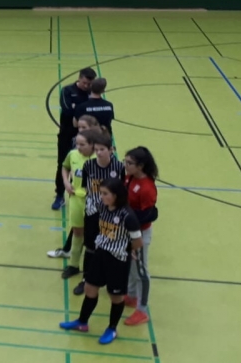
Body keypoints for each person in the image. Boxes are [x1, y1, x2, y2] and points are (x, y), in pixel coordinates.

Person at [60, 178, 143, 345]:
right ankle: (82, 322)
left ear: (116, 195)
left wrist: (125, 249)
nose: (101, 196)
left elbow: (138, 241)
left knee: (116, 296)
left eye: (105, 193)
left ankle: (112, 329)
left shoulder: (128, 216)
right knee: (90, 288)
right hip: (100, 255)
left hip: (118, 260)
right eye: (101, 192)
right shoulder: (102, 207)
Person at [75, 131, 125, 296]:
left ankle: (110, 279)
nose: (98, 152)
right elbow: (86, 187)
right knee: (90, 246)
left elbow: (122, 191)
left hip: (112, 213)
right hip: (93, 210)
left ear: (111, 150)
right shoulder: (88, 166)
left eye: (102, 149)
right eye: (96, 149)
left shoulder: (119, 167)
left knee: (110, 246)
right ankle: (86, 279)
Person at [46, 114, 102, 261]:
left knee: (92, 233)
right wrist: (67, 182)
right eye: (79, 127)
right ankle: (71, 257)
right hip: (77, 195)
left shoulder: (100, 153)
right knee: (78, 230)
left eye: (84, 127)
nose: (80, 130)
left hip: (94, 200)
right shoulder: (75, 149)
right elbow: (67, 165)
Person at [123, 147, 159, 326]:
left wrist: (127, 218)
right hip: (128, 231)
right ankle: (131, 296)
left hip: (140, 234)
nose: (126, 165)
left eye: (129, 163)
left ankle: (142, 310)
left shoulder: (146, 188)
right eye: (125, 161)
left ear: (141, 166)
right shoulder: (129, 178)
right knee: (131, 266)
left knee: (141, 271)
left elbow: (148, 214)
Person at [54, 68, 97, 210]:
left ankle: (79, 193)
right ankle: (60, 195)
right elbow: (67, 110)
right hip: (67, 135)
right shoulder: (67, 91)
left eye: (89, 84)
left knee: (84, 166)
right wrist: (83, 108)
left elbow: (92, 111)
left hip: (87, 138)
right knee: (63, 164)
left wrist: (76, 108)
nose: (86, 86)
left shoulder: (92, 93)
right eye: (84, 83)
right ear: (79, 78)